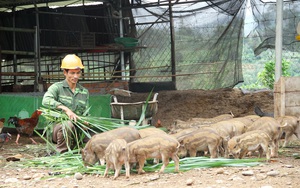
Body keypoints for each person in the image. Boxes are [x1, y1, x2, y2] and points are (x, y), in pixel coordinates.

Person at [42, 54, 90, 153]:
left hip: (77, 129)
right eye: (72, 73)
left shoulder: (84, 91)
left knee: (97, 134)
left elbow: (86, 112)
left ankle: (83, 150)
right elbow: (46, 101)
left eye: (78, 73)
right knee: (68, 124)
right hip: (58, 129)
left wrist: (86, 122)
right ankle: (62, 153)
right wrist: (66, 109)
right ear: (65, 72)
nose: (75, 76)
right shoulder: (57, 88)